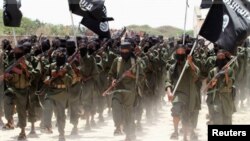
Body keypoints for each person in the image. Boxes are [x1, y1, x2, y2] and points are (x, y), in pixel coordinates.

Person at [108, 42, 144, 141]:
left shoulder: (136, 61)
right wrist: (113, 80)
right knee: (115, 104)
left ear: (130, 51)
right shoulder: (117, 61)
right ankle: (118, 126)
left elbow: (141, 77)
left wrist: (130, 75)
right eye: (122, 51)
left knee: (128, 113)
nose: (124, 53)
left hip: (130, 91)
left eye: (126, 51)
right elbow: (111, 74)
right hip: (118, 89)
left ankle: (130, 134)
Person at [4, 44, 40, 140]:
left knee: (24, 110)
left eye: (17, 51)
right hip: (14, 90)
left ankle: (26, 129)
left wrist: (25, 68)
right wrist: (8, 77)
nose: (15, 53)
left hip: (25, 91)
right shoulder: (12, 63)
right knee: (10, 103)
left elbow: (32, 76)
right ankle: (14, 124)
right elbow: (8, 77)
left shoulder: (27, 63)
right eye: (14, 51)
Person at [165, 45, 201, 141]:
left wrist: (190, 63)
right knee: (176, 110)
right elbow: (168, 81)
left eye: (182, 52)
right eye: (178, 51)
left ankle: (185, 136)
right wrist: (169, 92)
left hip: (189, 95)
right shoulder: (172, 68)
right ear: (176, 53)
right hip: (177, 94)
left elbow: (197, 75)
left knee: (186, 116)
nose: (180, 53)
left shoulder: (189, 66)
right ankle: (176, 132)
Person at [43, 49, 73, 141]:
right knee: (47, 106)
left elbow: (71, 80)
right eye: (57, 55)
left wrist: (63, 74)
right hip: (51, 91)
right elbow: (46, 75)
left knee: (60, 114)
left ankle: (61, 133)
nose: (59, 56)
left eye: (61, 55)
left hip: (62, 92)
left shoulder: (67, 67)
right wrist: (47, 79)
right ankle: (47, 126)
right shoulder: (52, 65)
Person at [207, 49, 236, 124]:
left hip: (227, 98)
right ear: (216, 58)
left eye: (222, 56)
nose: (221, 58)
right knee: (217, 119)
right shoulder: (213, 71)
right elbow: (208, 86)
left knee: (227, 119)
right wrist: (213, 82)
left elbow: (230, 84)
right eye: (219, 56)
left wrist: (226, 74)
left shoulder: (230, 70)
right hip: (215, 98)